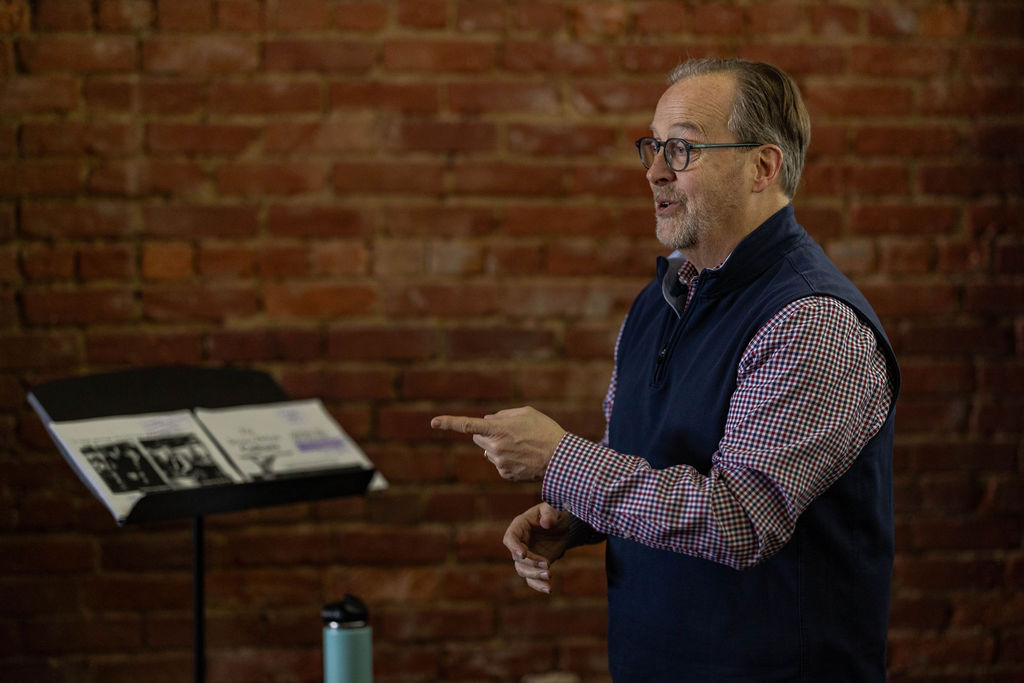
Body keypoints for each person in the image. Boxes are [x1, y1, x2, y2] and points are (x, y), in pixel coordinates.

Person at [431, 57, 899, 682]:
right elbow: (653, 460)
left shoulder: (812, 322)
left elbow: (739, 520)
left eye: (681, 149)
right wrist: (578, 515)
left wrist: (561, 461)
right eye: (653, 146)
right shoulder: (659, 300)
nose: (654, 171)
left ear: (763, 166)